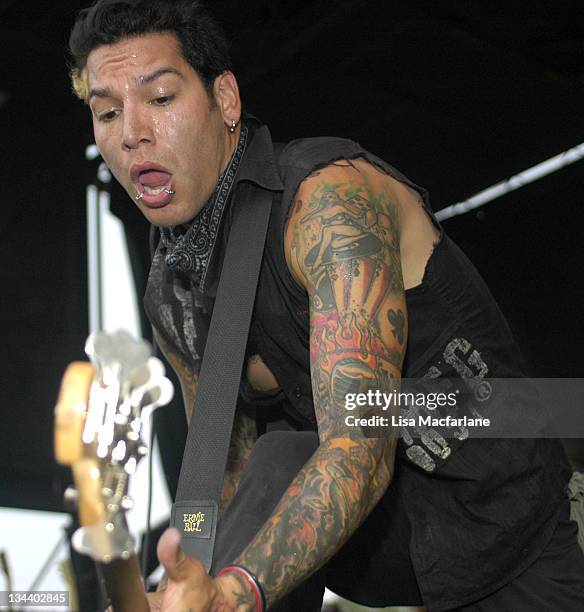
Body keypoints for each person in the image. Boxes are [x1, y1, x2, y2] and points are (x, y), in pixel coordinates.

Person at [68, 1, 584, 610]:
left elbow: (359, 443)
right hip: (385, 543)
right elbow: (222, 480)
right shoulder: (172, 289)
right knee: (276, 457)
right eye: (107, 112)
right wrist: (193, 576)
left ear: (225, 100)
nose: (130, 132)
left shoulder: (328, 203)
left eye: (159, 99)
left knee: (293, 450)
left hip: (509, 521)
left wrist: (237, 590)